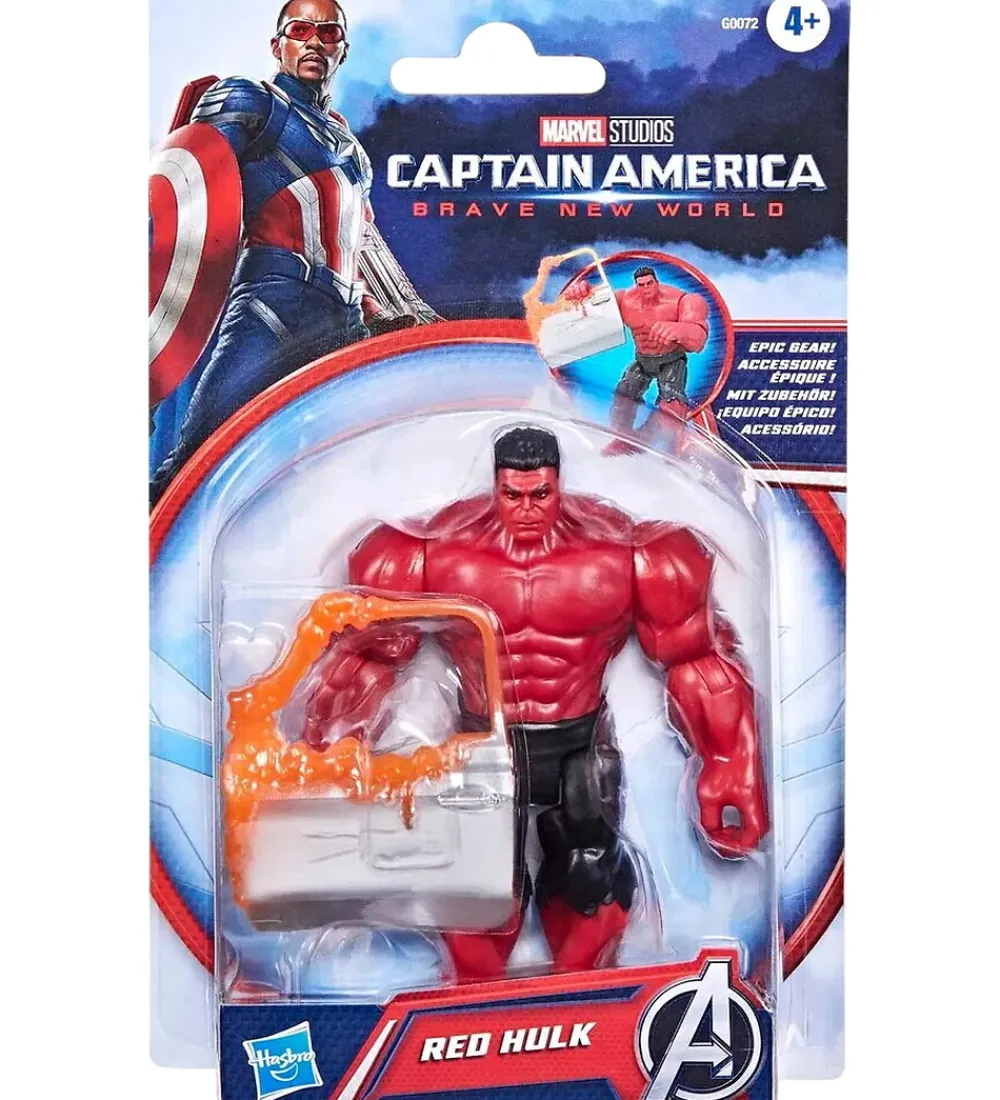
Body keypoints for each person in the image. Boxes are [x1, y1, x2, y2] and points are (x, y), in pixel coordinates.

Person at [301, 426, 769, 980]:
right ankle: (474, 1008)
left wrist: (729, 763)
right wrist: (325, 762)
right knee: (475, 889)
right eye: (513, 495)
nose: (526, 509)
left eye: (540, 494)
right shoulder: (426, 554)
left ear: (558, 484)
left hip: (577, 744)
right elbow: (369, 661)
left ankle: (581, 1001)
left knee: (591, 879)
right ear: (497, 485)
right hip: (481, 744)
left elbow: (698, 662)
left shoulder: (629, 555)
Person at [150, 0, 436, 503]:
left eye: (328, 34)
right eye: (300, 30)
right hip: (274, 302)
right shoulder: (252, 103)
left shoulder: (350, 148)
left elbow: (357, 243)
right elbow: (193, 187)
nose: (314, 42)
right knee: (203, 453)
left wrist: (388, 315)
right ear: (277, 44)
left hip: (344, 318)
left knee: (342, 469)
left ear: (343, 49)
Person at [566, 266, 709, 434]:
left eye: (649, 283)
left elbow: (698, 341)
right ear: (636, 285)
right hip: (643, 360)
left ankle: (673, 444)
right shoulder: (624, 300)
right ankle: (622, 438)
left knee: (672, 401)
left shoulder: (683, 300)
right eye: (641, 285)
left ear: (657, 282)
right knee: (623, 395)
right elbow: (588, 318)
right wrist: (583, 297)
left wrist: (682, 330)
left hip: (671, 360)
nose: (646, 288)